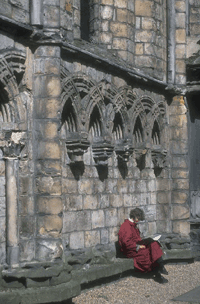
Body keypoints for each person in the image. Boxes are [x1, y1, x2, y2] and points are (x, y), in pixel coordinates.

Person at [118, 208, 168, 283]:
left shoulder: (133, 225)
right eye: (138, 218)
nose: (139, 221)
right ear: (134, 217)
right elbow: (126, 243)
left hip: (136, 246)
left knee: (154, 244)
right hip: (131, 250)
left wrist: (145, 241)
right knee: (147, 253)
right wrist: (138, 246)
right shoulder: (126, 226)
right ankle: (157, 273)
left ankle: (160, 265)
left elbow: (136, 238)